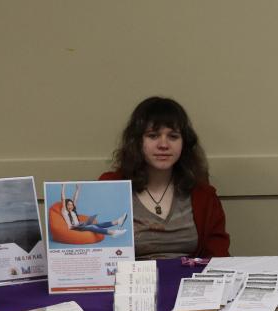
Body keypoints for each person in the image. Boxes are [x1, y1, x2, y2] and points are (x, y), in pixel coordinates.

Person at [100, 97, 229, 259]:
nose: (163, 145)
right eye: (153, 136)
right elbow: (99, 254)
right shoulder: (111, 187)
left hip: (190, 281)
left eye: (173, 136)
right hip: (133, 282)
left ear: (184, 143)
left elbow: (218, 255)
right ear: (137, 141)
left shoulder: (203, 194)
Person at [60, 184, 128, 237]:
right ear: (65, 205)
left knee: (97, 225)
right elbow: (63, 199)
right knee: (92, 226)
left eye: (71, 205)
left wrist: (77, 189)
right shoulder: (64, 211)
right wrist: (63, 187)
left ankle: (118, 222)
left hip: (80, 225)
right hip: (73, 228)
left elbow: (75, 199)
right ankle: (113, 233)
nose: (71, 206)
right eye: (69, 204)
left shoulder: (73, 211)